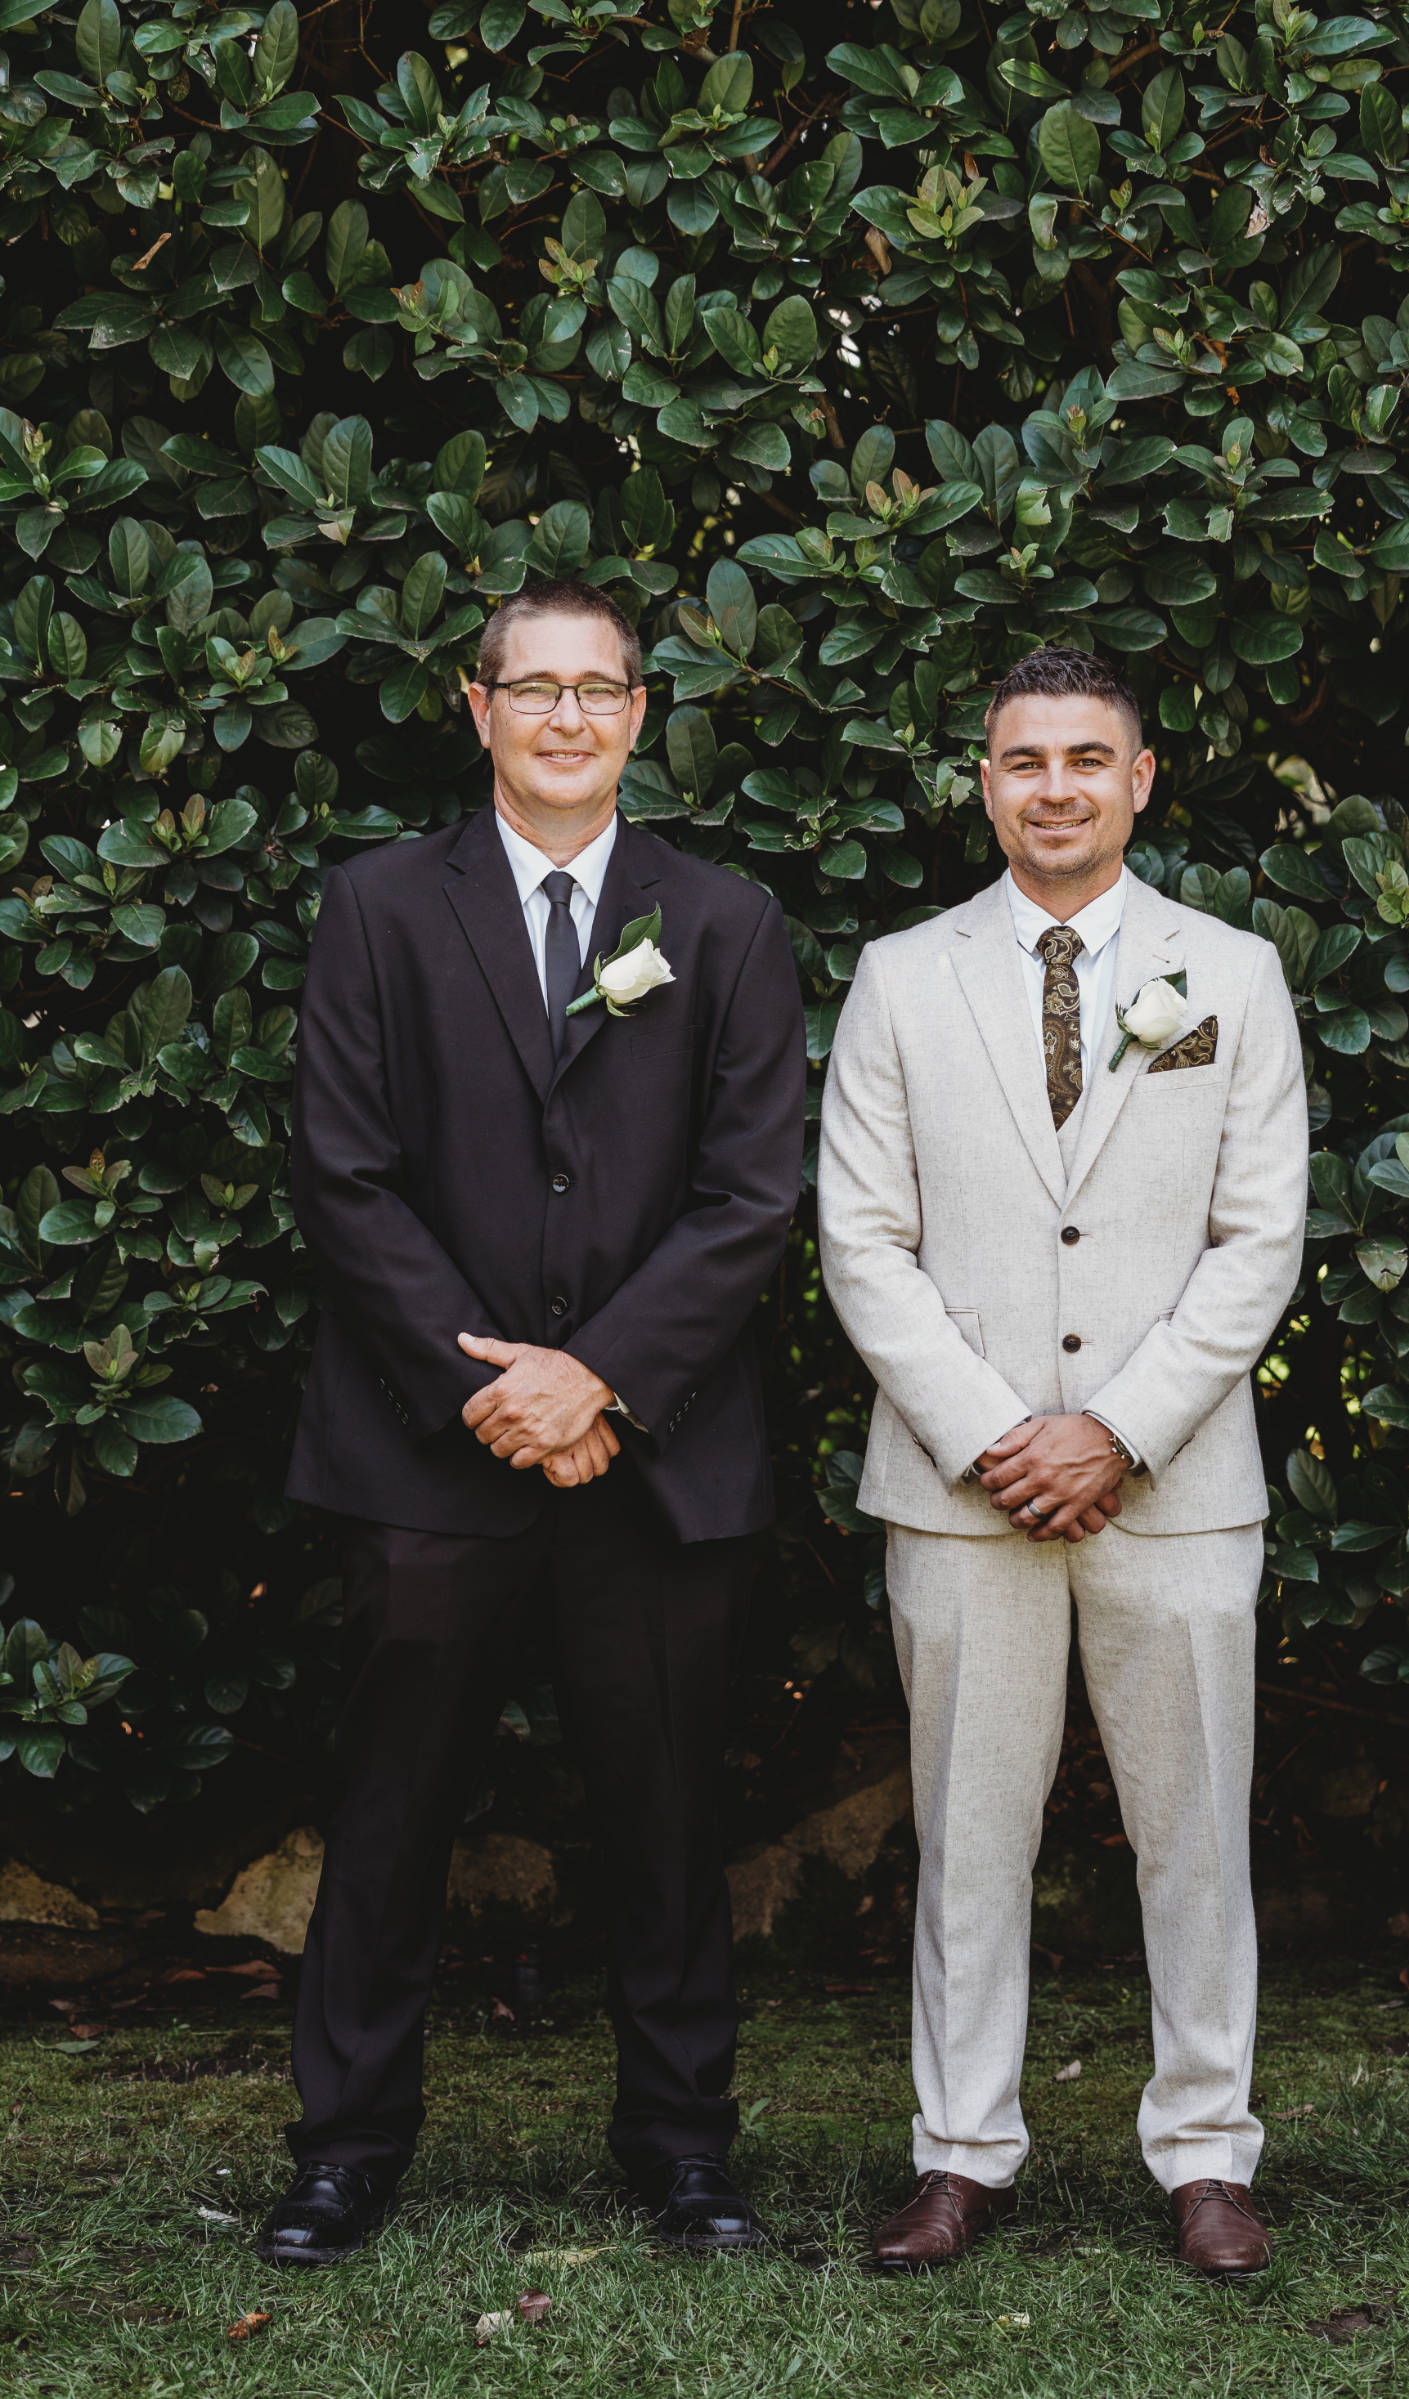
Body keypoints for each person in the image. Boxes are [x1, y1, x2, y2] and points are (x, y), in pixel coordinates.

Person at [258, 580, 805, 2266]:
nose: (569, 718)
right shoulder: (375, 908)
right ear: (475, 707)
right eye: (535, 688)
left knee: (665, 1813)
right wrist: (495, 1385)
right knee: (394, 1806)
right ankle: (347, 2147)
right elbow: (342, 1174)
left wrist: (605, 1381)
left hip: (652, 1449)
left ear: (643, 716)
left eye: (602, 691)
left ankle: (684, 2148)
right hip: (432, 1446)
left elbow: (753, 1189)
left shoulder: (721, 920)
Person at [818, 646, 1308, 2277]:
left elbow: (1259, 1239)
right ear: (983, 779)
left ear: (1142, 780)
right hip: (961, 1493)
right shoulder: (901, 975)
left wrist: (1117, 1428)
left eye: (1088, 759)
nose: (1055, 788)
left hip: (1175, 1483)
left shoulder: (1230, 972)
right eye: (1024, 760)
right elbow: (863, 1242)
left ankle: (1207, 2153)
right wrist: (992, 1432)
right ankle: (959, 2154)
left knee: (1198, 1832)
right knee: (966, 1832)